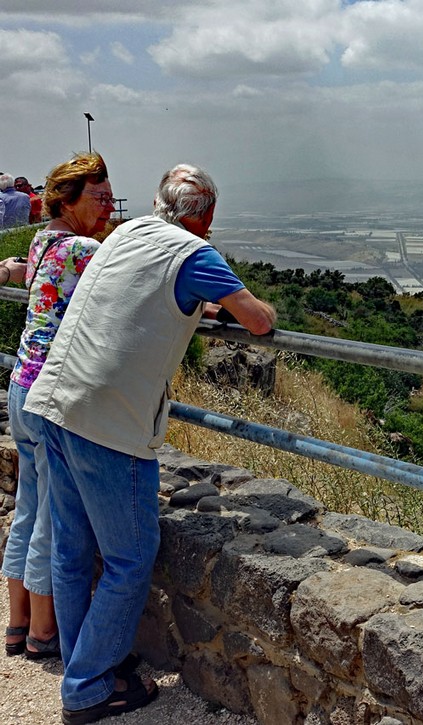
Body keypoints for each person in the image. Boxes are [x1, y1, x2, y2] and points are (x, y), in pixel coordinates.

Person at [24, 163, 276, 725]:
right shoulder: (195, 254)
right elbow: (258, 321)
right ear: (206, 217)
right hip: (110, 422)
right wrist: (245, 307)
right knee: (131, 558)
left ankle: (84, 661)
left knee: (71, 549)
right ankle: (87, 688)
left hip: (56, 400)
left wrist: (199, 303)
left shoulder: (126, 233)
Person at [3, 153, 114, 663]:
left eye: (109, 196)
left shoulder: (43, 239)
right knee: (51, 515)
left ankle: (17, 621)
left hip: (20, 384)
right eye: (99, 197)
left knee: (28, 507)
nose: (108, 205)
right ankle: (44, 631)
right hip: (50, 394)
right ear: (67, 201)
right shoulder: (85, 249)